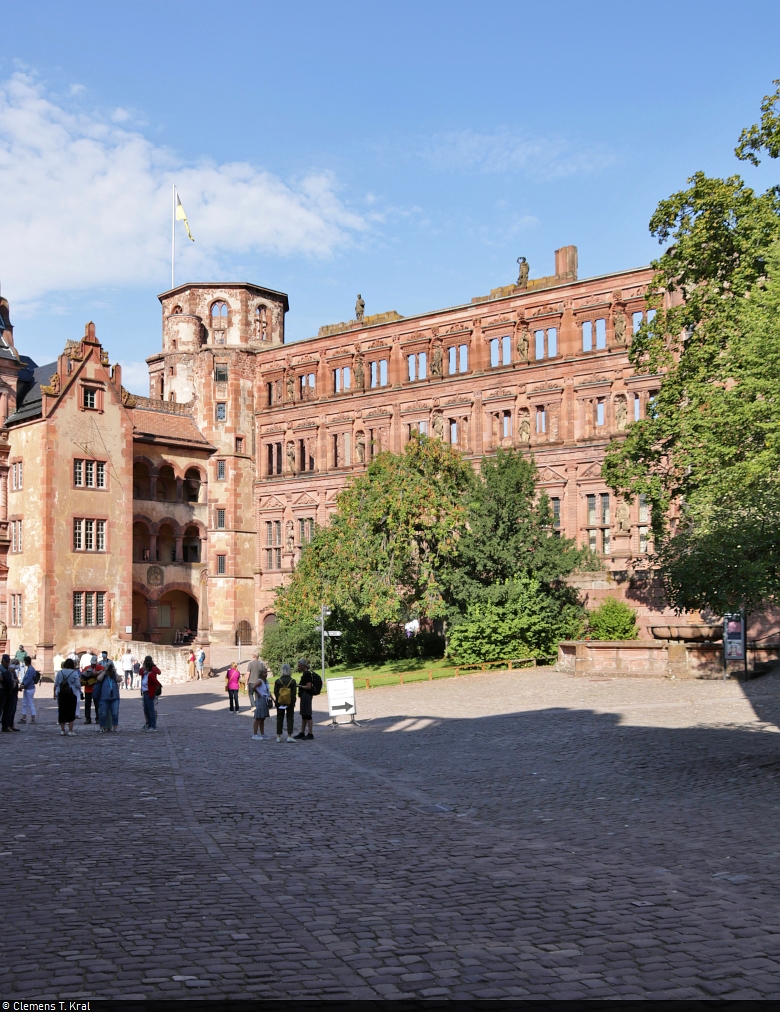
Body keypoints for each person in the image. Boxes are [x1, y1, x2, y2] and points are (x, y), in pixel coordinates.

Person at [55, 659, 81, 736]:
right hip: (71, 693)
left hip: (61, 693)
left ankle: (62, 730)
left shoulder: (60, 672)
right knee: (71, 712)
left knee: (62, 711)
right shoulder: (74, 673)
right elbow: (77, 684)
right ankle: (70, 730)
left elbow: (56, 683)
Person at [274, 663, 298, 743]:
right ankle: (289, 735)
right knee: (290, 718)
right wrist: (293, 702)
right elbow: (294, 693)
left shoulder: (278, 681)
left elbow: (276, 692)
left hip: (280, 702)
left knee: (279, 718)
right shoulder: (292, 681)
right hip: (290, 702)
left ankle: (278, 736)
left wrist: (278, 700)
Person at [95, 660, 121, 733]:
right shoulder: (104, 675)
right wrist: (104, 671)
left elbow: (120, 679)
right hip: (104, 697)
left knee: (115, 713)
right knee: (103, 714)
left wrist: (114, 671)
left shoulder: (114, 676)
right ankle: (102, 727)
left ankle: (115, 728)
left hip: (114, 698)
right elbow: (98, 679)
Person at [294, 658, 315, 741]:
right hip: (304, 695)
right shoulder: (305, 674)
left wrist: (298, 686)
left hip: (306, 695)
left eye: (299, 665)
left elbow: (309, 686)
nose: (298, 667)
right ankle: (302, 732)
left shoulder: (307, 674)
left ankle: (310, 733)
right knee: (304, 715)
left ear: (303, 666)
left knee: (308, 715)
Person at [250, 661, 271, 740]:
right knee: (258, 717)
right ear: (261, 674)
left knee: (262, 718)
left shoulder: (266, 681)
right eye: (264, 673)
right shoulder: (260, 681)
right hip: (261, 700)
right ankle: (255, 734)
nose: (266, 674)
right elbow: (253, 687)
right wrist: (258, 693)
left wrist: (273, 699)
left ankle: (262, 733)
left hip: (265, 699)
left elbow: (268, 692)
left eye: (266, 673)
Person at [141, 656, 161, 731]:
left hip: (149, 694)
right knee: (146, 710)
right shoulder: (146, 674)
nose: (143, 668)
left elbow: (157, 683)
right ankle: (149, 724)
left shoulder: (150, 675)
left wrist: (154, 692)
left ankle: (153, 725)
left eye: (144, 667)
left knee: (151, 710)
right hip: (145, 693)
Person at [1, 655, 20, 732]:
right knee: (2, 708)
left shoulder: (11, 670)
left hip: (10, 691)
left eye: (8, 661)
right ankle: (6, 725)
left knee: (10, 709)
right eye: (6, 661)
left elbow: (15, 679)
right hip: (2, 690)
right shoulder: (1, 668)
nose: (8, 663)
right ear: (2, 661)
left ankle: (8, 725)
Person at [19, 654, 38, 725]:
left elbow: (29, 679)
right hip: (28, 688)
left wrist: (24, 685)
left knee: (30, 703)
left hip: (29, 688)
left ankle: (33, 718)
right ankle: (23, 717)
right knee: (25, 703)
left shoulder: (30, 670)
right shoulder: (29, 669)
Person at [81, 656, 100, 725]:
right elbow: (82, 676)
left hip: (96, 689)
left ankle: (98, 718)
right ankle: (87, 718)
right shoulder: (86, 668)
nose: (93, 664)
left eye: (94, 663)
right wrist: (92, 674)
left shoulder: (100, 668)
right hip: (88, 689)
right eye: (92, 663)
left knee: (97, 705)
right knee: (87, 705)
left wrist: (96, 673)